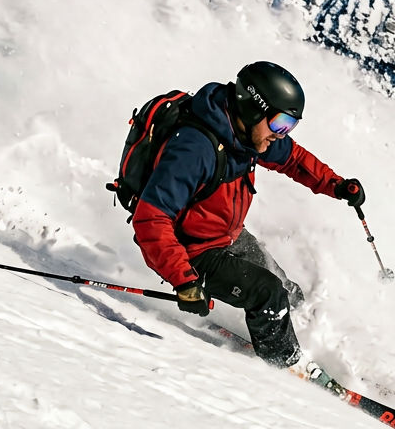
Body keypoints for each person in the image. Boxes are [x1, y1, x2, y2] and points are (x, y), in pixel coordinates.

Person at [129, 61, 366, 390]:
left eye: (290, 126)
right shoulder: (195, 149)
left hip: (225, 236)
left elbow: (294, 159)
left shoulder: (246, 136)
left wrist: (336, 185)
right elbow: (150, 218)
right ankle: (287, 368)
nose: (280, 134)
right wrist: (184, 280)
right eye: (280, 123)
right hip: (192, 252)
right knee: (267, 294)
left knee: (284, 287)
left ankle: (300, 335)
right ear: (254, 108)